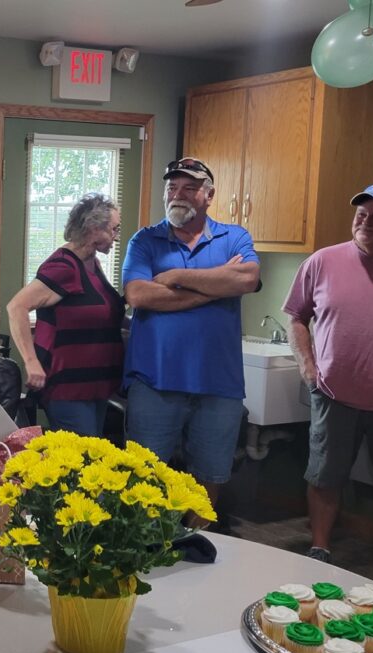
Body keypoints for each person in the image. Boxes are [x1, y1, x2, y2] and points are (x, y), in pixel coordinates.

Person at [121, 157, 260, 523]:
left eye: (189, 187)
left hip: (219, 383)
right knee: (144, 480)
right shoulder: (145, 240)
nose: (178, 194)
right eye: (172, 187)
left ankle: (201, 544)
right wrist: (217, 285)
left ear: (208, 195)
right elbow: (139, 295)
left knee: (209, 480)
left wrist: (176, 276)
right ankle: (145, 548)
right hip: (154, 382)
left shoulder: (234, 237)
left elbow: (247, 279)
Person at [282, 182, 373, 587]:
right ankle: (320, 548)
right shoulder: (322, 261)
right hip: (333, 393)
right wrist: (307, 366)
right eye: (361, 214)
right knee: (324, 476)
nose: (366, 222)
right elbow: (296, 316)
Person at [6, 193, 125, 436]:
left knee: (94, 454)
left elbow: (102, 314)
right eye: (114, 229)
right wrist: (31, 362)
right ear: (93, 228)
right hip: (68, 389)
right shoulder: (63, 266)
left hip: (95, 385)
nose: (117, 235)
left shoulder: (91, 263)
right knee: (80, 456)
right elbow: (16, 307)